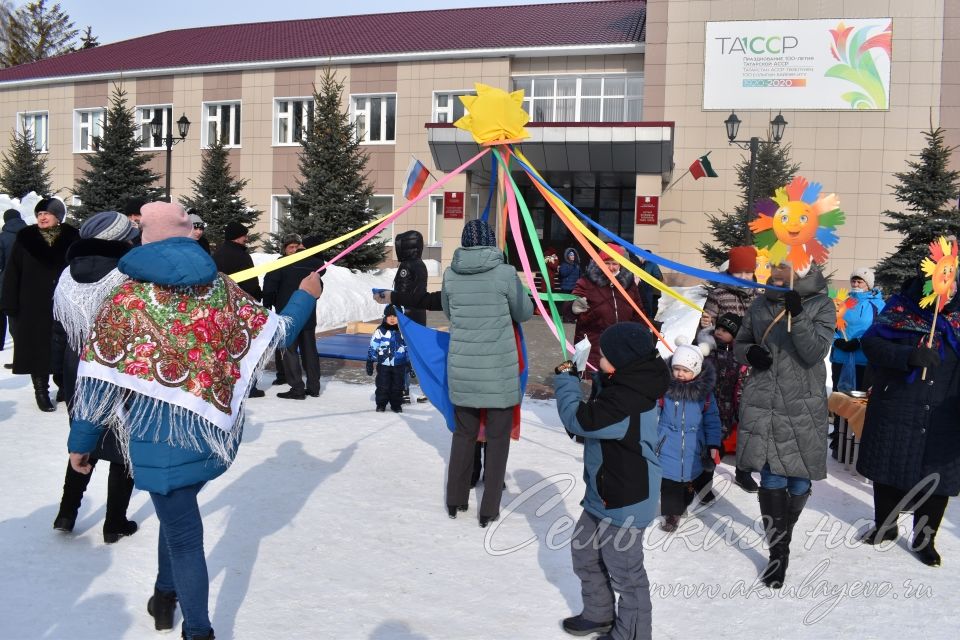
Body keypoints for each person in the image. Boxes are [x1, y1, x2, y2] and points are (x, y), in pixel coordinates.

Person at [66, 201, 323, 640]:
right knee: (178, 515)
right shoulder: (220, 288)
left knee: (183, 533)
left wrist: (82, 440)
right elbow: (275, 333)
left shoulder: (126, 298)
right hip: (208, 432)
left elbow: (98, 377)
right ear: (190, 235)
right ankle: (165, 595)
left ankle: (197, 630)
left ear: (142, 239)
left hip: (153, 435)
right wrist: (306, 296)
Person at [553, 322, 669, 640]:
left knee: (627, 576)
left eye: (604, 355)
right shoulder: (625, 384)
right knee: (585, 552)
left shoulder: (628, 400)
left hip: (626, 499)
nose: (598, 358)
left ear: (621, 362)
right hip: (603, 491)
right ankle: (600, 614)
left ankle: (631, 635)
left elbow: (580, 420)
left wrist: (566, 381)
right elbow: (589, 425)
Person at [734, 261, 834, 588]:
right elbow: (741, 342)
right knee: (773, 474)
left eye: (786, 268)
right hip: (765, 400)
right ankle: (779, 553)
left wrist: (800, 316)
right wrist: (750, 354)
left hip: (803, 403)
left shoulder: (821, 304)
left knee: (800, 483)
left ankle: (783, 534)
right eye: (775, 267)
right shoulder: (761, 302)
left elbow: (814, 352)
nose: (778, 273)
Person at [856, 270, 960, 567]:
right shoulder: (901, 308)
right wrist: (908, 356)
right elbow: (872, 345)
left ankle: (924, 539)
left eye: (953, 282)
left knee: (936, 480)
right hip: (898, 404)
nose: (948, 288)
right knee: (889, 467)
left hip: (943, 413)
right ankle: (885, 527)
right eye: (942, 280)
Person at [51, 211, 140, 543]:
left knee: (84, 440)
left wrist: (61, 377)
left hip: (77, 369)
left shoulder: (66, 276)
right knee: (122, 445)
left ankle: (66, 512)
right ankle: (115, 522)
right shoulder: (129, 277)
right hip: (119, 370)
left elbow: (58, 331)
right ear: (119, 240)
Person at [442, 219, 533, 527]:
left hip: (463, 371)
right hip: (498, 373)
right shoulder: (505, 273)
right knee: (497, 440)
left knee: (463, 436)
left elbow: (449, 312)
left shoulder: (450, 275)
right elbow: (524, 312)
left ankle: (455, 500)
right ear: (492, 242)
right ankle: (489, 509)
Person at [0, 197, 79, 411]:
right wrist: (9, 302)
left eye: (46, 213)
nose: (42, 217)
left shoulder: (73, 238)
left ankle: (63, 386)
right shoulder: (25, 239)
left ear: (58, 217)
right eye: (39, 214)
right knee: (37, 348)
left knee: (64, 346)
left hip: (64, 304)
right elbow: (12, 271)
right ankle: (41, 391)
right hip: (31, 304)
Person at [701, 245, 760, 492]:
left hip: (750, 365)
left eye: (749, 272)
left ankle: (743, 471)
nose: (745, 277)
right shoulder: (719, 294)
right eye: (740, 272)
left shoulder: (761, 296)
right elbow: (705, 326)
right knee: (719, 415)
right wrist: (709, 330)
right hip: (723, 364)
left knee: (748, 417)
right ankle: (706, 473)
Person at [657, 336, 721, 532]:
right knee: (669, 482)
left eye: (685, 370)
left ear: (696, 370)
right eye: (676, 369)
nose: (680, 374)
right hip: (667, 442)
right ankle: (671, 514)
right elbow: (653, 416)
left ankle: (685, 501)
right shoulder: (664, 390)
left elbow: (712, 421)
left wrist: (713, 445)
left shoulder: (705, 395)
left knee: (689, 480)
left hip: (694, 444)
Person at [829, 267, 885, 457]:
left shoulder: (878, 305)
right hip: (841, 358)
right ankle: (839, 439)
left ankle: (857, 443)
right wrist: (837, 340)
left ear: (868, 284)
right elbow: (832, 324)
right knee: (840, 400)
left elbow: (879, 331)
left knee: (859, 404)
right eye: (854, 281)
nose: (856, 284)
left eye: (860, 281)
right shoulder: (845, 302)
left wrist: (860, 343)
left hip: (863, 361)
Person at [262, 235, 324, 400]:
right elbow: (318, 290)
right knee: (309, 350)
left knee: (289, 350)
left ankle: (297, 388)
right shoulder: (316, 267)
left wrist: (268, 303)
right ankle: (314, 387)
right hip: (308, 313)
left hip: (287, 314)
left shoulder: (283, 263)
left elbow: (269, 286)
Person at [696, 313, 748, 502]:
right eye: (718, 328)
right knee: (699, 446)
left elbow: (740, 384)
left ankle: (704, 483)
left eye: (725, 331)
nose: (719, 332)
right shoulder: (705, 350)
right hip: (702, 406)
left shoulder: (738, 356)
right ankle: (697, 483)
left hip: (724, 410)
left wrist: (738, 409)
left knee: (715, 448)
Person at [570, 243, 646, 371]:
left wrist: (644, 330)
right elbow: (572, 301)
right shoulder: (587, 282)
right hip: (593, 343)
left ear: (620, 264)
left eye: (615, 263)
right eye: (607, 263)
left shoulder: (629, 284)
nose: (611, 267)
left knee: (617, 379)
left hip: (622, 343)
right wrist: (573, 307)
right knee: (593, 382)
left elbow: (638, 311)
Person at [393, 230, 428, 404]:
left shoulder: (408, 266)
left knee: (404, 352)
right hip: (419, 312)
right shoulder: (420, 263)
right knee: (417, 352)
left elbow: (402, 291)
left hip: (408, 313)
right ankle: (426, 388)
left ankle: (403, 389)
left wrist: (392, 300)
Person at [264, 234, 303, 387]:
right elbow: (269, 284)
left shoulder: (305, 262)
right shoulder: (280, 263)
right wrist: (268, 302)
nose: (293, 250)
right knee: (283, 341)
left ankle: (296, 374)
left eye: (296, 247)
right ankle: (282, 375)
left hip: (301, 306)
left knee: (299, 342)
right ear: (284, 249)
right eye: (290, 247)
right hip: (284, 307)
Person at [365, 304, 408, 412]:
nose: (392, 318)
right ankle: (381, 404)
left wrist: (409, 363)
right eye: (390, 316)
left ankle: (396, 404)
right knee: (382, 385)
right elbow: (373, 346)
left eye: (395, 316)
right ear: (385, 317)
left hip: (399, 364)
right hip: (384, 364)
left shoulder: (403, 332)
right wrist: (370, 360)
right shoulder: (381, 331)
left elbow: (409, 348)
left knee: (398, 386)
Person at [213, 221, 261, 302]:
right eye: (244, 236)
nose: (246, 239)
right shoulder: (242, 256)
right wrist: (256, 298)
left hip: (221, 300)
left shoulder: (217, 254)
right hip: (241, 302)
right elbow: (250, 282)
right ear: (236, 237)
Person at [0, 208, 26, 352]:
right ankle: (21, 350)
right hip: (28, 281)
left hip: (6, 283)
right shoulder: (30, 236)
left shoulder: (3, 237)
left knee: (4, 313)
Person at [632, 251, 664, 322]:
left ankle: (650, 320)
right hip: (644, 289)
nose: (644, 257)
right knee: (645, 304)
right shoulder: (641, 263)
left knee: (651, 305)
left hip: (652, 289)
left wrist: (649, 280)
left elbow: (658, 276)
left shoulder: (652, 264)